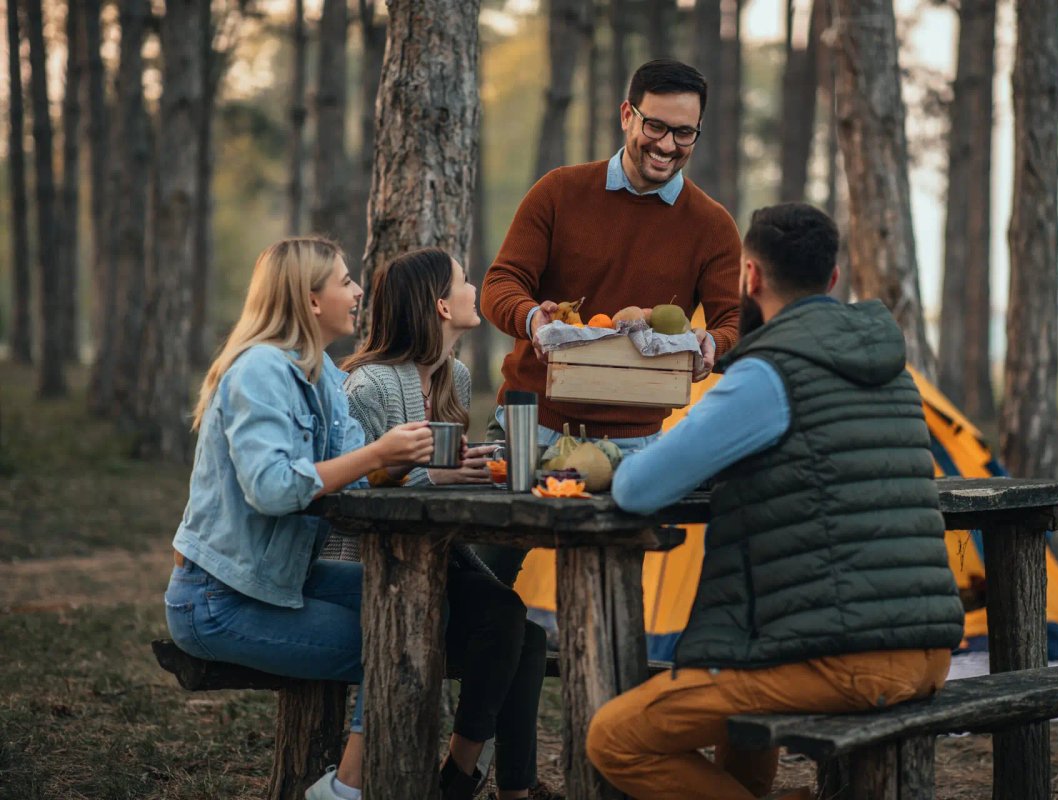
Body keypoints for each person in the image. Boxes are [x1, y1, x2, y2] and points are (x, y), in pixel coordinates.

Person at [585, 203, 966, 800]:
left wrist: (604, 460)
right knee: (740, 695)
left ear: (751, 279)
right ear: (833, 280)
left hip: (845, 659)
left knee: (614, 738)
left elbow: (638, 490)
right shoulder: (890, 369)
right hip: (926, 652)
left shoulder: (769, 373)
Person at [162, 237, 435, 800]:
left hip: (282, 578)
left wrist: (443, 473)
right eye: (344, 282)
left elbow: (355, 482)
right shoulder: (261, 371)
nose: (358, 292)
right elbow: (274, 488)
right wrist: (378, 452)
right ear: (311, 302)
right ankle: (346, 789)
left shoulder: (327, 378)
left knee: (418, 604)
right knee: (390, 642)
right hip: (217, 599)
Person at [478, 58, 742, 585]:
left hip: (634, 446)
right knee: (479, 579)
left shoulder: (712, 226)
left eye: (684, 132)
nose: (668, 145)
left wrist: (712, 344)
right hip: (530, 427)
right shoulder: (559, 191)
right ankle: (504, 659)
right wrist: (533, 318)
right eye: (656, 126)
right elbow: (499, 285)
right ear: (627, 115)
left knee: (610, 593)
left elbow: (733, 322)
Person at [323, 248, 558, 800]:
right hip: (369, 569)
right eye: (463, 280)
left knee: (523, 631)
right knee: (506, 618)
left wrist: (477, 468)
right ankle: (460, 778)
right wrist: (441, 480)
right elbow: (354, 497)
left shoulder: (452, 373)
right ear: (440, 307)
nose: (474, 288)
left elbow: (433, 470)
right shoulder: (369, 388)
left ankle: (486, 781)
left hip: (434, 556)